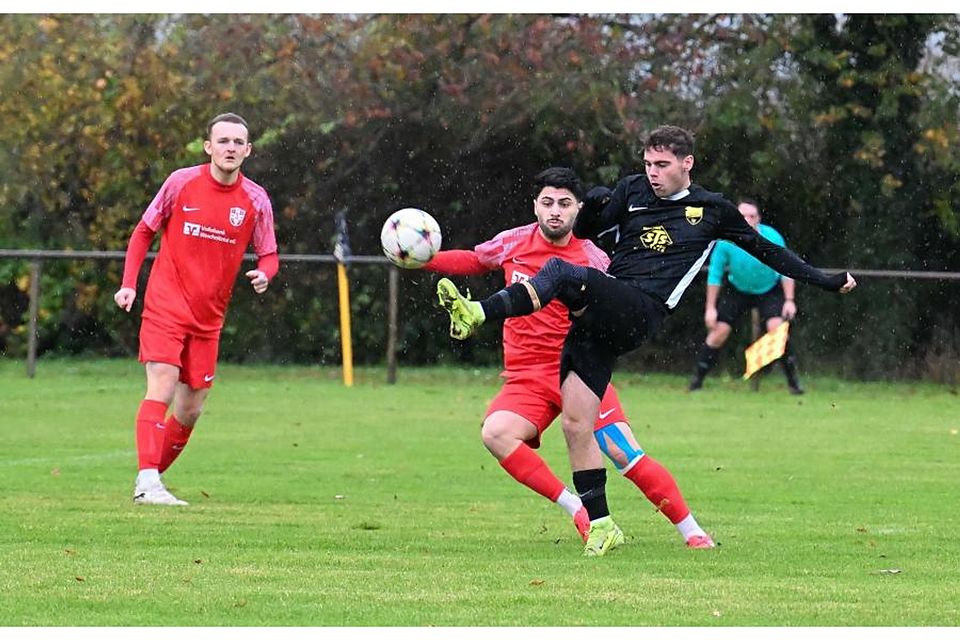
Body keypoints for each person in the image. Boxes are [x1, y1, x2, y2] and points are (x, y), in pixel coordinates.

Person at [436, 125, 856, 555]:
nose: (652, 172)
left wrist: (824, 280)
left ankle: (478, 312)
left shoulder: (711, 210)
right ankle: (601, 525)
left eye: (662, 164)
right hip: (600, 319)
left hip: (642, 309)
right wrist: (595, 203)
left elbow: (768, 251)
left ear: (687, 163)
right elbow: (590, 229)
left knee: (560, 273)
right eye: (648, 163)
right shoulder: (632, 190)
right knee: (576, 425)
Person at [423, 167, 714, 556]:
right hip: (526, 378)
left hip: (577, 370)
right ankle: (577, 508)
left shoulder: (593, 258)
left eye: (564, 203)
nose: (555, 211)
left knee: (623, 453)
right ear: (535, 206)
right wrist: (423, 259)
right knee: (496, 433)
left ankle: (692, 531)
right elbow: (476, 260)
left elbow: (621, 304)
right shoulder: (513, 242)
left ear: (578, 209)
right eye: (547, 203)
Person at [114, 112, 279, 506]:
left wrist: (265, 274)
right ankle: (148, 483)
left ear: (248, 150)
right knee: (163, 384)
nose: (230, 148)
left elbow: (269, 254)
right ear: (208, 147)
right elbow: (143, 231)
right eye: (223, 141)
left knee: (190, 408)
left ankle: (149, 479)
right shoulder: (180, 182)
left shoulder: (256, 199)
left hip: (209, 317)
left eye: (238, 142)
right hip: (166, 304)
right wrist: (128, 283)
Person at [689, 198, 804, 394]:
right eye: (743, 216)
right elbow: (715, 274)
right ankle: (696, 383)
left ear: (758, 218)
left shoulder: (772, 237)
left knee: (777, 330)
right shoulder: (725, 241)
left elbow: (786, 269)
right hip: (738, 289)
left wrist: (789, 300)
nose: (747, 220)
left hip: (768, 290)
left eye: (751, 216)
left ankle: (794, 384)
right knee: (719, 331)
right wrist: (710, 308)